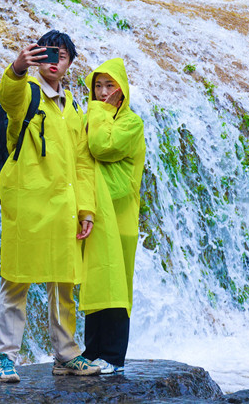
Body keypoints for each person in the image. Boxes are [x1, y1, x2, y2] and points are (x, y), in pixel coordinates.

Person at [0, 30, 99, 382]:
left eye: (63, 56)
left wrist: (86, 209)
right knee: (15, 282)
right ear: (39, 57)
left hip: (64, 207)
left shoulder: (73, 109)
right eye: (49, 54)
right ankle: (5, 357)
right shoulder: (28, 95)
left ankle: (66, 354)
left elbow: (83, 164)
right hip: (28, 203)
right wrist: (18, 68)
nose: (55, 62)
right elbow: (8, 97)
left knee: (64, 284)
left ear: (69, 63)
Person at [78, 58, 146, 375]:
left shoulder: (131, 123)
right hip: (96, 212)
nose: (103, 93)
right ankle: (92, 351)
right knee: (96, 280)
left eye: (109, 86)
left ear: (122, 90)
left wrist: (98, 113)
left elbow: (100, 146)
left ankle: (114, 357)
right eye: (98, 86)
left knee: (116, 284)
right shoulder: (95, 116)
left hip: (119, 213)